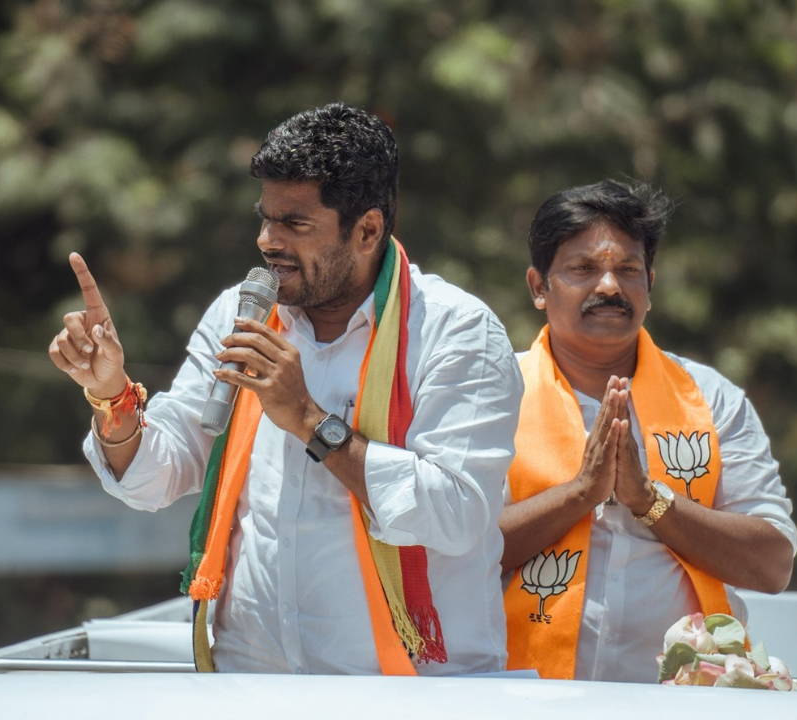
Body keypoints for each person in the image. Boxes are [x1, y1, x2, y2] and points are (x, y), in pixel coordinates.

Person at [48, 103, 523, 676]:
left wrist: (308, 420)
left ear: (368, 229)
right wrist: (112, 396)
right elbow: (160, 474)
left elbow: (457, 514)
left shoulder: (458, 331)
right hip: (252, 685)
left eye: (294, 224)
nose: (267, 241)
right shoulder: (241, 312)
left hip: (412, 694)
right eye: (265, 218)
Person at [500, 180, 797, 683]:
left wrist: (648, 500)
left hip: (683, 703)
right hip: (520, 698)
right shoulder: (494, 394)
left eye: (629, 270)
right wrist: (578, 495)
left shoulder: (710, 399)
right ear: (537, 287)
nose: (610, 287)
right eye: (583, 269)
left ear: (650, 286)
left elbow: (771, 565)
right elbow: (450, 552)